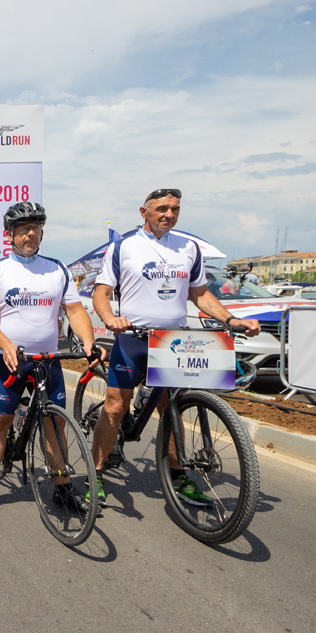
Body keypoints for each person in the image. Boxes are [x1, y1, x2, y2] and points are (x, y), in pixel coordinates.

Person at [89, 188, 260, 508]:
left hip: (172, 341)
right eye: (162, 208)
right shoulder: (124, 245)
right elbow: (102, 292)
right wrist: (110, 317)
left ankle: (179, 475)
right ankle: (95, 474)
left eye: (175, 209)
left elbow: (200, 294)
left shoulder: (188, 247)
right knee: (114, 408)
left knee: (172, 407)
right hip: (134, 338)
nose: (169, 214)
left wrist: (231, 318)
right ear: (144, 212)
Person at [0, 202, 104, 518]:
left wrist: (88, 341)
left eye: (36, 228)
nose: (30, 234)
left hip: (47, 360)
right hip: (9, 359)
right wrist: (5, 344)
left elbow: (74, 310)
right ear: (11, 235)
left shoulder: (56, 269)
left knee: (55, 422)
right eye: (23, 229)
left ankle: (62, 487)